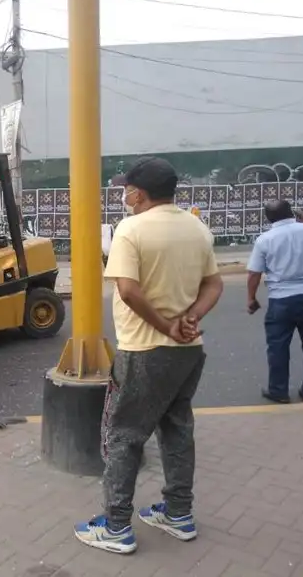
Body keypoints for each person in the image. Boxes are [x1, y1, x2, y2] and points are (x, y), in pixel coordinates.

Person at [75, 156, 224, 555]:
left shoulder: (131, 229)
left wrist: (165, 326)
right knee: (177, 429)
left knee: (124, 436)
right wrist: (190, 318)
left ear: (138, 193)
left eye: (127, 188)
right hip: (188, 352)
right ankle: (179, 514)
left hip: (144, 350)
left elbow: (128, 290)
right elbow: (214, 284)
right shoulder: (197, 228)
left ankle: (117, 527)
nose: (124, 193)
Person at [246, 199, 303, 404]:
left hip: (281, 299)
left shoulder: (264, 240)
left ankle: (278, 390)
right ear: (293, 212)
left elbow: (254, 274)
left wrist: (251, 299)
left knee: (278, 347)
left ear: (268, 218)